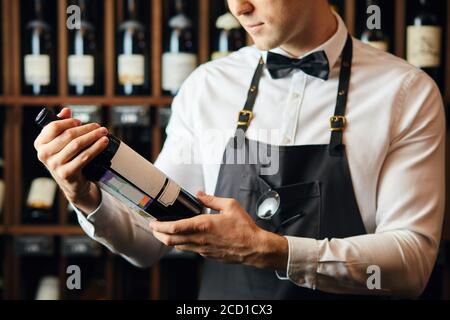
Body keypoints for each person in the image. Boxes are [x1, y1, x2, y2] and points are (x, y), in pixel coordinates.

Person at [34, 0, 445, 299]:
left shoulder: (405, 93)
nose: (240, 8)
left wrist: (273, 252)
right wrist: (85, 195)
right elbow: (148, 243)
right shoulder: (206, 86)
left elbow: (411, 264)